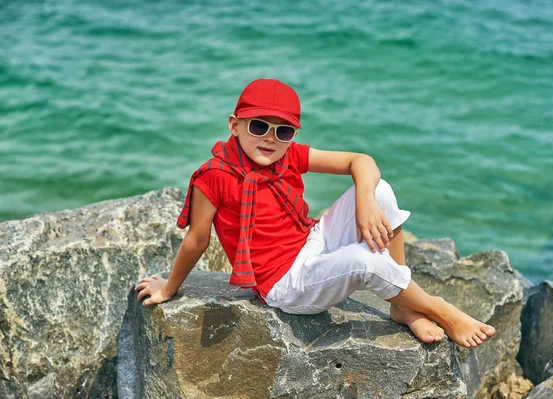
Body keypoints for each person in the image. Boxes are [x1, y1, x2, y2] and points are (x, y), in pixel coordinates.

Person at [134, 78, 496, 348]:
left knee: (379, 189)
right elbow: (197, 240)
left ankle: (402, 307)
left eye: (283, 131)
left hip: (309, 242)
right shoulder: (215, 176)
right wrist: (169, 287)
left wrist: (366, 199)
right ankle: (437, 307)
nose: (270, 138)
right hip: (284, 285)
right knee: (360, 260)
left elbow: (361, 161)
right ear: (235, 125)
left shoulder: (289, 155)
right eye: (258, 126)